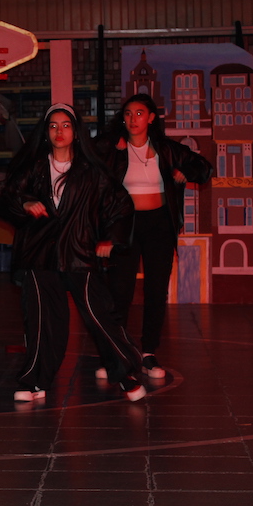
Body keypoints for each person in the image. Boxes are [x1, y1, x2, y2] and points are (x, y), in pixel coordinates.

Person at [0, 103, 146, 402]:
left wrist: (110, 239)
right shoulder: (33, 168)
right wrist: (24, 204)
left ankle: (125, 373)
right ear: (46, 132)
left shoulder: (91, 172)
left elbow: (121, 206)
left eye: (66, 125)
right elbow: (4, 202)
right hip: (39, 255)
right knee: (41, 321)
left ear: (76, 132)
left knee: (100, 314)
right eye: (53, 126)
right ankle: (35, 381)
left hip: (79, 253)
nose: (59, 131)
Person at [96, 93, 213, 378]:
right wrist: (111, 143)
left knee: (156, 290)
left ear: (150, 118)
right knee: (120, 291)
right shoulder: (113, 147)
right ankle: (117, 353)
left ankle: (149, 353)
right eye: (127, 114)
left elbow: (204, 168)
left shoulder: (166, 149)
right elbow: (86, 157)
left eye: (139, 113)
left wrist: (185, 171)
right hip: (125, 225)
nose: (132, 119)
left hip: (159, 225)